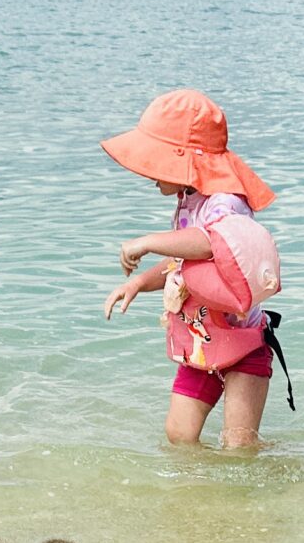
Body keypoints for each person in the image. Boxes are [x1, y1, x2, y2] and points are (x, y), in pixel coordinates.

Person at [100, 90, 280, 450]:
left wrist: (148, 240)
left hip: (243, 345)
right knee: (179, 436)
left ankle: (263, 489)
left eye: (156, 163)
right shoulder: (188, 201)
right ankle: (198, 500)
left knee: (239, 447)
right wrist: (139, 282)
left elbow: (212, 243)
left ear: (185, 162)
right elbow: (183, 264)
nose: (150, 176)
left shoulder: (226, 201)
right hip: (202, 346)